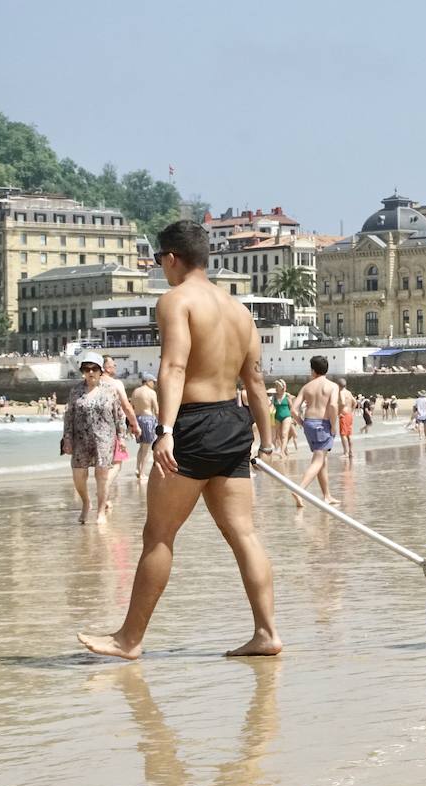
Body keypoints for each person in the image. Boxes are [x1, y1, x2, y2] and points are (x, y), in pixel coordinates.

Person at [78, 220, 281, 659]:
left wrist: (166, 431)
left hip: (192, 423)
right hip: (233, 422)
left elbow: (173, 367)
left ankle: (128, 639)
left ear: (171, 258)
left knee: (159, 534)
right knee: (244, 533)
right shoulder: (239, 311)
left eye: (158, 261)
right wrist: (266, 442)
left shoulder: (175, 300)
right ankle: (266, 633)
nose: (160, 269)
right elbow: (257, 382)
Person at [61, 352, 122, 524]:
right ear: (82, 371)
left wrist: (121, 438)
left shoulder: (110, 390)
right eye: (87, 369)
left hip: (104, 439)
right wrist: (67, 438)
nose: (90, 372)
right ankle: (86, 503)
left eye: (94, 369)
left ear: (100, 371)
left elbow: (118, 415)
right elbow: (69, 416)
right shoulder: (76, 391)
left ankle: (101, 511)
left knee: (101, 475)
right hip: (80, 439)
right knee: (78, 474)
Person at [293, 355, 341, 508]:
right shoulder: (332, 386)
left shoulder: (307, 387)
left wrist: (302, 422)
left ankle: (326, 495)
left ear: (313, 370)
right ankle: (299, 490)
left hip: (309, 422)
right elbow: (333, 406)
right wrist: (334, 425)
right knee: (319, 459)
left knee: (322, 459)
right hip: (323, 423)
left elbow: (294, 409)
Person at [99, 356, 140, 498]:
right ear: (106, 368)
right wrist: (135, 424)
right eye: (113, 365)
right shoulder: (116, 383)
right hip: (112, 428)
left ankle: (103, 498)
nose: (115, 367)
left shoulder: (90, 383)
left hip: (94, 429)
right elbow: (126, 406)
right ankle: (103, 490)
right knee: (117, 463)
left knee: (101, 466)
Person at [130, 373, 160, 481]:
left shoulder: (135, 392)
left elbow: (131, 407)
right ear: (147, 381)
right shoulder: (151, 392)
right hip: (148, 419)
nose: (154, 384)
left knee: (141, 447)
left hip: (137, 420)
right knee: (146, 449)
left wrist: (131, 424)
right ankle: (142, 473)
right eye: (153, 382)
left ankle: (138, 469)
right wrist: (160, 422)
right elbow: (156, 410)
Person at [270, 380, 296, 454]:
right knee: (279, 435)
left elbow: (291, 408)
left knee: (284, 434)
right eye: (276, 386)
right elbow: (271, 406)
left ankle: (281, 452)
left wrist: (293, 418)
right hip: (277, 417)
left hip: (287, 416)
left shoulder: (287, 396)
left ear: (282, 387)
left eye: (277, 386)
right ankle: (285, 449)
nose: (276, 388)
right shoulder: (274, 396)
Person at [336, 377, 356, 457]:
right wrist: (352, 411)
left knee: (343, 434)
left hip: (344, 414)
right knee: (349, 434)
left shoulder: (341, 392)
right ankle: (351, 452)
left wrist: (339, 412)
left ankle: (346, 453)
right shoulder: (349, 392)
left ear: (338, 385)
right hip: (349, 414)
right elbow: (355, 402)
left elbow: (343, 403)